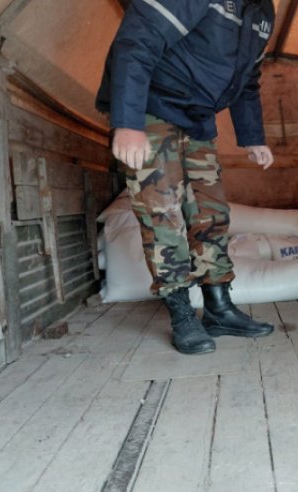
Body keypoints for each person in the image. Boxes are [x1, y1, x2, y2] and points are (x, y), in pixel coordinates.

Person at [96, 0, 276, 355]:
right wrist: (128, 122)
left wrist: (253, 136)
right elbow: (137, 39)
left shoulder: (262, 11)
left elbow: (247, 79)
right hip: (152, 107)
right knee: (162, 213)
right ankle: (181, 313)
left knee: (212, 213)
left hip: (198, 117)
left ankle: (219, 308)